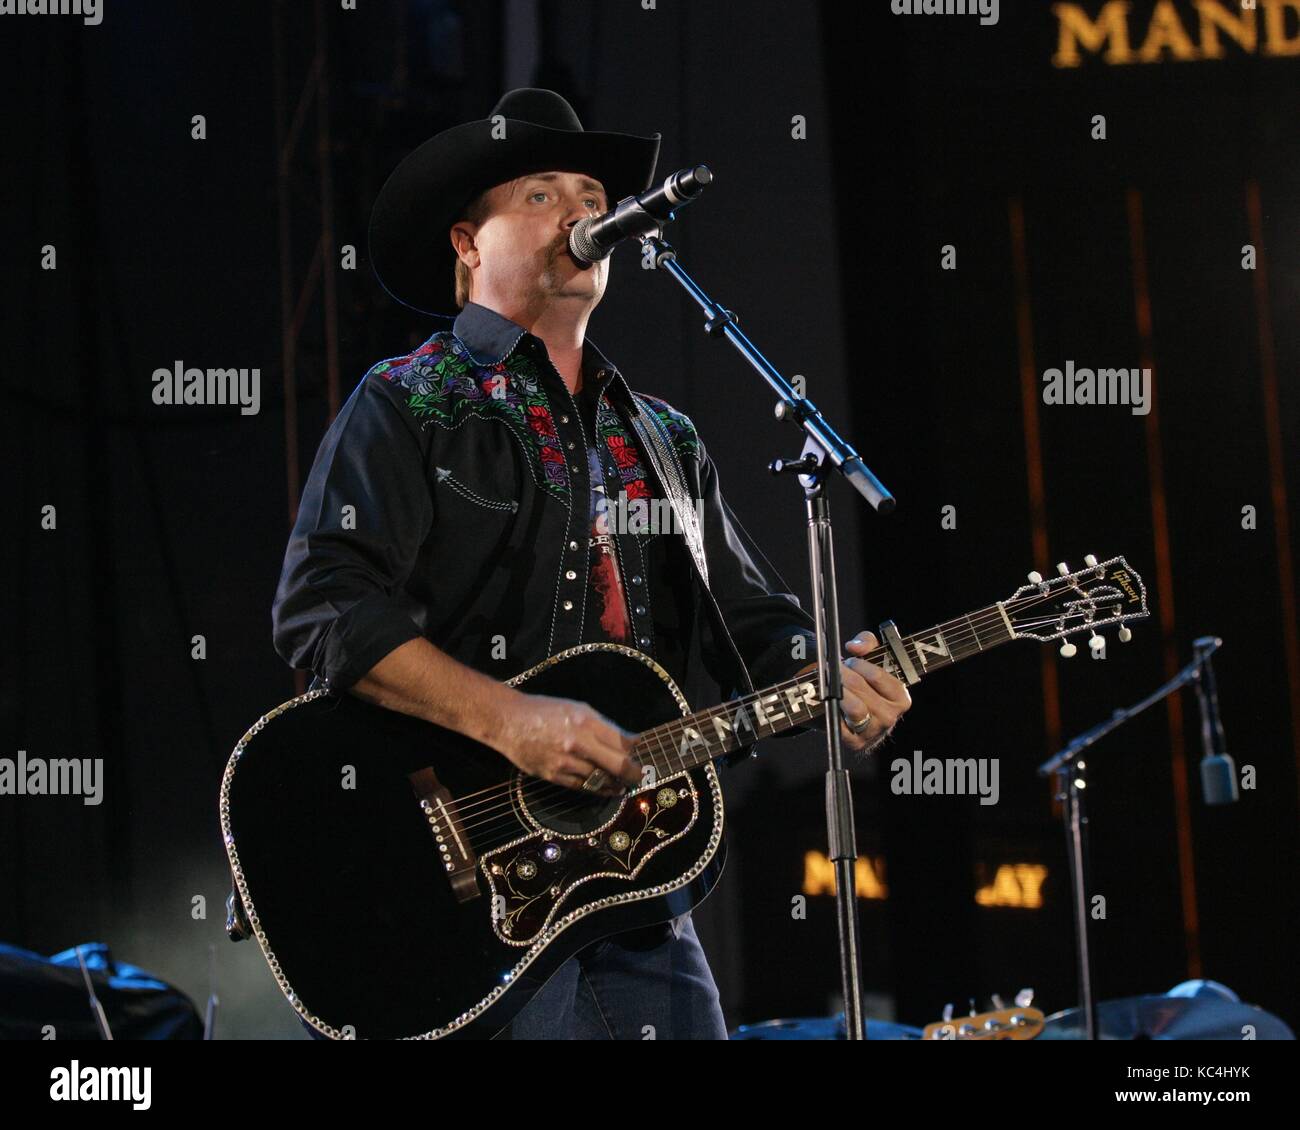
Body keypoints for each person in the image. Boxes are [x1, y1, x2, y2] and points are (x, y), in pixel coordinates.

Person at [271, 87, 912, 1040]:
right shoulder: (408, 401)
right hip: (459, 888)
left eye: (588, 190)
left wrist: (829, 675)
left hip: (634, 875)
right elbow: (322, 610)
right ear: (465, 244)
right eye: (540, 194)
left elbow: (752, 623)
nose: (580, 210)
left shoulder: (662, 437)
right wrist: (511, 720)